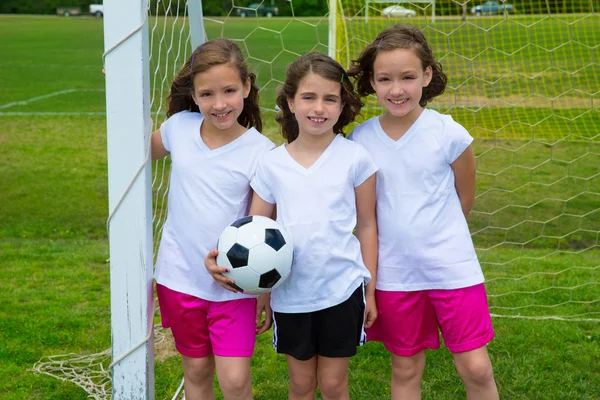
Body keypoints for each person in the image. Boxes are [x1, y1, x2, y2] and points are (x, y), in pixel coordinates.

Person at [206, 52, 379, 400]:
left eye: (330, 98)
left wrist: (370, 289)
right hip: (292, 296)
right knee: (301, 385)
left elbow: (367, 225)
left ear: (342, 103)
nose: (319, 108)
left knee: (333, 385)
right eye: (309, 97)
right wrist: (263, 293)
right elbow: (254, 230)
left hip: (341, 290)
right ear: (290, 101)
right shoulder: (271, 164)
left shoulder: (356, 158)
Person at [347, 25, 499, 400]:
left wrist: (437, 234)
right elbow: (361, 213)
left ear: (427, 76)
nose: (396, 89)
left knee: (476, 367)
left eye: (408, 77)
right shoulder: (360, 140)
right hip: (395, 274)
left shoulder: (449, 134)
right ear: (372, 81)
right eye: (385, 79)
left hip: (452, 268)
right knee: (406, 367)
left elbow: (465, 196)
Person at [151, 38, 275, 400]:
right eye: (207, 94)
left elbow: (259, 230)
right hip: (179, 275)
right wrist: (121, 90)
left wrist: (261, 290)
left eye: (230, 90)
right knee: (196, 369)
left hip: (233, 282)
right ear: (193, 94)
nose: (219, 104)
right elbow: (140, 149)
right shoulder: (179, 128)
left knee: (235, 380)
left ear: (247, 87)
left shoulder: (261, 153)